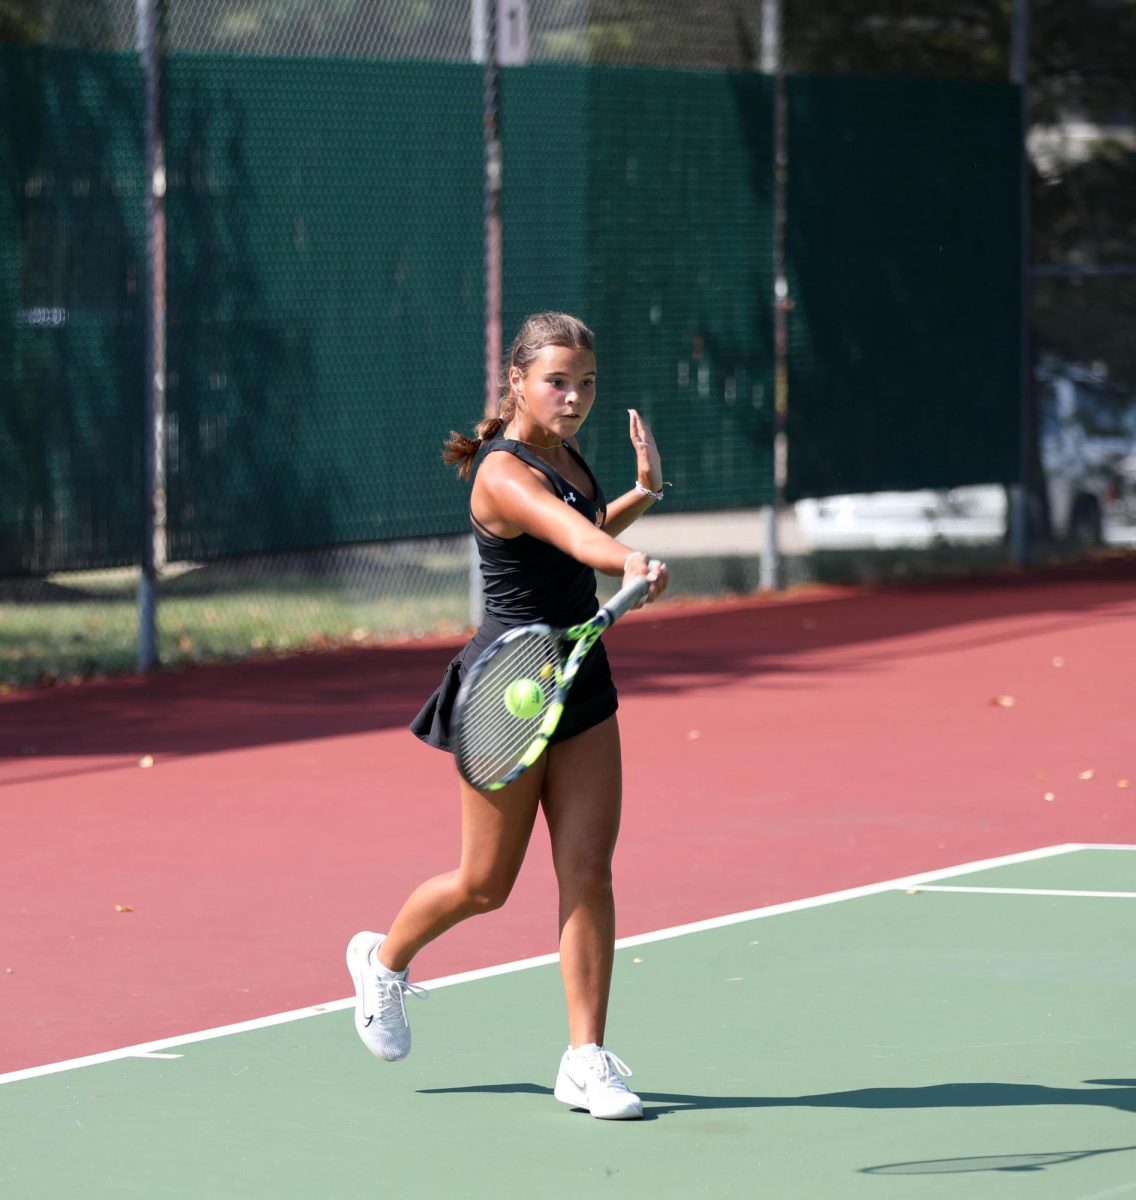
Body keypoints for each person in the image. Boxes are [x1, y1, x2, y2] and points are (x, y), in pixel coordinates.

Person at [346, 311, 668, 1120]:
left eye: (587, 383)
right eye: (559, 381)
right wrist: (625, 558)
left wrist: (641, 496)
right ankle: (383, 962)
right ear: (517, 380)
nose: (575, 397)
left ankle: (585, 1060)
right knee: (484, 884)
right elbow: (565, 531)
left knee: (588, 872)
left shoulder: (567, 456)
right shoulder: (501, 470)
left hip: (579, 678)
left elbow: (580, 530)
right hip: (508, 688)